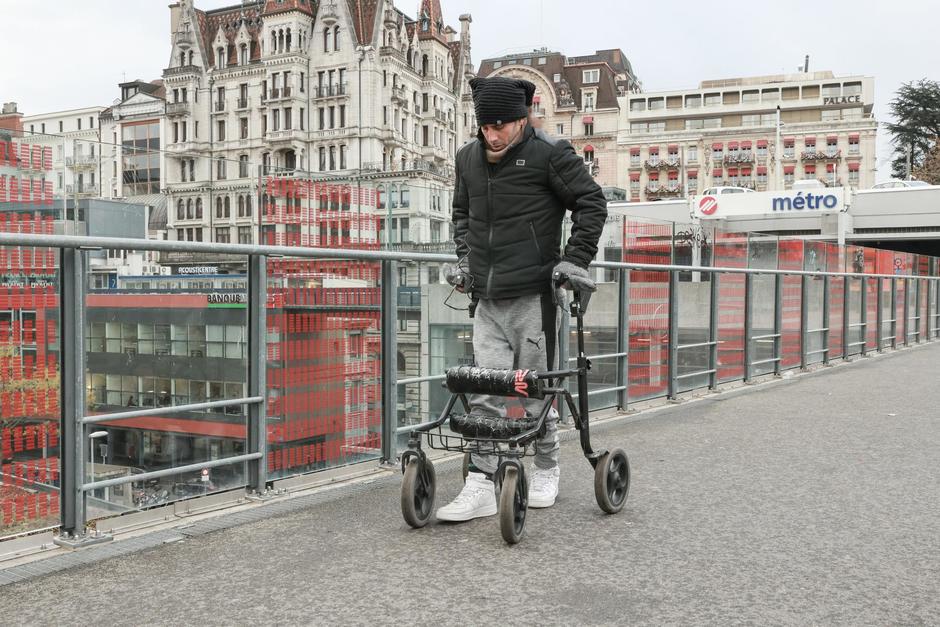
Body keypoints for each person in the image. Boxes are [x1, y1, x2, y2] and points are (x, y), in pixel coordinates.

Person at [436, 76, 607, 522]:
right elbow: (462, 214)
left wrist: (575, 260)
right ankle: (480, 483)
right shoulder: (467, 159)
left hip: (536, 295)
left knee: (537, 389)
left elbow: (591, 202)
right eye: (485, 126)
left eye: (501, 126)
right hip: (487, 299)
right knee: (485, 391)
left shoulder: (550, 153)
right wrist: (466, 259)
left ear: (522, 118)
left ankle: (547, 467)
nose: (492, 135)